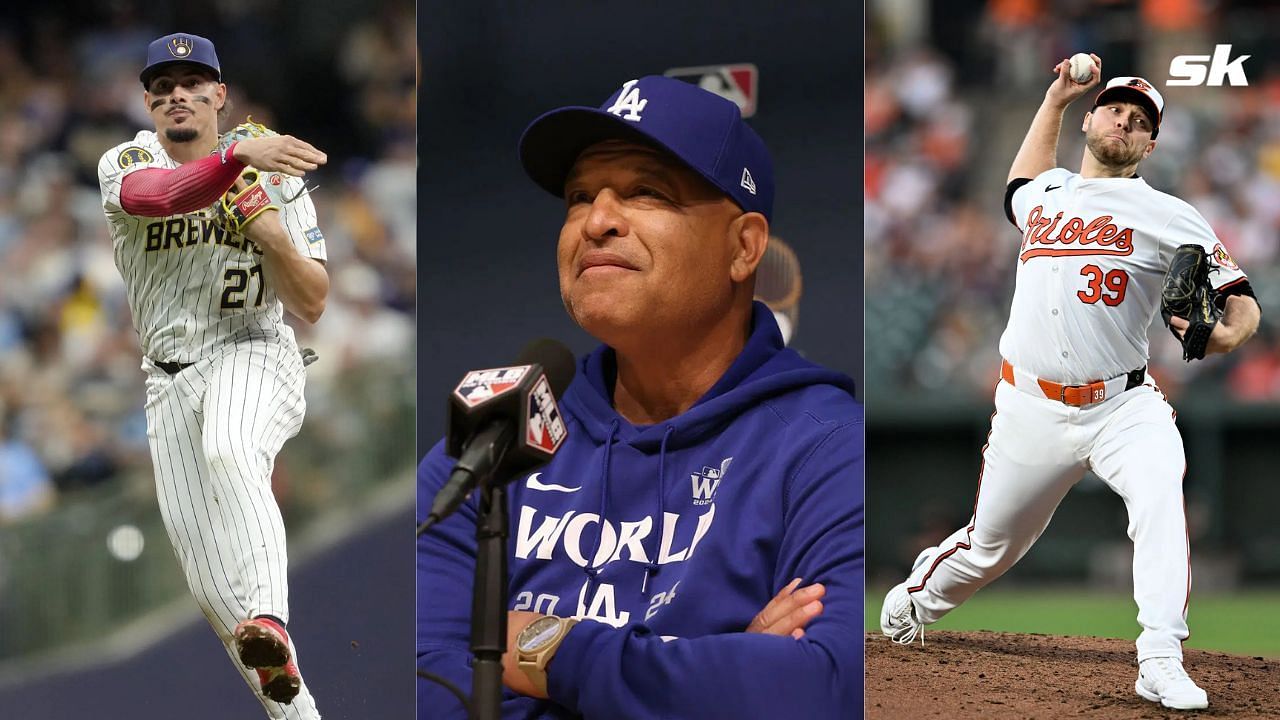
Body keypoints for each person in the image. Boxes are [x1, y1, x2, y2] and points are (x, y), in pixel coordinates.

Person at [417, 76, 863, 719]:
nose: (596, 222)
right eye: (577, 197)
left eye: (646, 192)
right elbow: (428, 693)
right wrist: (713, 680)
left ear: (744, 248)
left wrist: (546, 651)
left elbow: (829, 688)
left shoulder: (825, 447)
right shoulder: (495, 441)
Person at [879, 55, 1260, 712]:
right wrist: (1053, 97)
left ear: (1150, 143)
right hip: (1030, 407)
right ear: (1092, 120)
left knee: (1162, 499)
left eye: (1140, 121)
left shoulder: (1169, 214)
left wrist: (1225, 336)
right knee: (988, 550)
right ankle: (913, 600)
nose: (1125, 122)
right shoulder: (1046, 194)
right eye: (1115, 109)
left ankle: (1160, 657)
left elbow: (1243, 304)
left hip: (1122, 405)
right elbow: (1014, 186)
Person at [96, 33, 330, 720]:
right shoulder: (127, 158)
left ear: (219, 95)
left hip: (253, 349)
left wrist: (271, 234)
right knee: (210, 593)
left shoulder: (277, 171)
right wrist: (234, 159)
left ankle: (273, 615)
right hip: (167, 382)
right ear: (147, 102)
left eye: (193, 82)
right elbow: (153, 198)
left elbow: (313, 301)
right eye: (162, 85)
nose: (177, 95)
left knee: (233, 447)